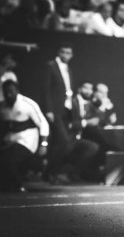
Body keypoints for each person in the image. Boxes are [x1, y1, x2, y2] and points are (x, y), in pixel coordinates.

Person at [0, 79, 49, 192]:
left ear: (17, 90)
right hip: (10, 140)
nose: (8, 94)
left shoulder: (27, 104)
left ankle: (18, 186)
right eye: (6, 92)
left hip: (27, 140)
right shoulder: (2, 106)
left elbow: (43, 124)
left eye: (11, 91)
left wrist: (43, 144)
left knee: (9, 159)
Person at [42, 42, 75, 182]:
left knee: (57, 143)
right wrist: (49, 110)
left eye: (68, 53)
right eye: (63, 52)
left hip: (65, 110)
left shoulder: (68, 69)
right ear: (58, 52)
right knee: (63, 141)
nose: (66, 55)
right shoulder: (51, 66)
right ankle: (51, 171)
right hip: (54, 110)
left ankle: (49, 174)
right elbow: (46, 90)